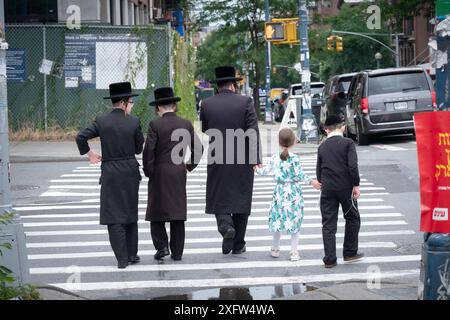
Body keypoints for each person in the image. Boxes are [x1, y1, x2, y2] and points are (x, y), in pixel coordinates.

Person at [75, 82, 144, 269]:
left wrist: (90, 154)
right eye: (131, 102)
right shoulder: (134, 121)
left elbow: (81, 136)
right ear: (123, 102)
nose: (132, 105)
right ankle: (132, 254)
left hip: (110, 171)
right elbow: (139, 147)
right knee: (130, 212)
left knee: (114, 215)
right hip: (130, 170)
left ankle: (122, 259)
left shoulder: (101, 120)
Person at [200, 66, 262, 255]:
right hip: (243, 157)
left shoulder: (207, 104)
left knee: (219, 196)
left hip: (217, 155)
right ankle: (238, 244)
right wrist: (255, 158)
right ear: (234, 85)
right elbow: (252, 131)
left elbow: (205, 128)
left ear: (217, 86)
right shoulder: (246, 102)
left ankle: (226, 227)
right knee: (242, 199)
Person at [143, 87, 203, 261]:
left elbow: (149, 151)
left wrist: (149, 171)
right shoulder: (185, 124)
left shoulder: (155, 124)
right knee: (177, 212)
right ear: (175, 106)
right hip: (178, 171)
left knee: (157, 211)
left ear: (157, 107)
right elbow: (198, 148)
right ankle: (177, 252)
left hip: (159, 172)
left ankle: (162, 248)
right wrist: (188, 166)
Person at [256, 128, 321, 261]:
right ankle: (294, 252)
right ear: (293, 142)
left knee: (277, 220)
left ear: (278, 142)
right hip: (293, 192)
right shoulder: (295, 158)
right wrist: (312, 182)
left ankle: (275, 248)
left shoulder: (275, 158)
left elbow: (264, 171)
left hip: (279, 193)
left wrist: (256, 168)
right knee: (295, 221)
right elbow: (300, 174)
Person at [316, 114, 364, 268]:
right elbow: (352, 166)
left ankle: (330, 259)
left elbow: (319, 171)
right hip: (345, 187)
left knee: (328, 223)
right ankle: (349, 252)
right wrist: (356, 185)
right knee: (352, 218)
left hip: (328, 188)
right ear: (342, 127)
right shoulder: (348, 143)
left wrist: (324, 182)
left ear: (327, 130)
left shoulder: (322, 146)